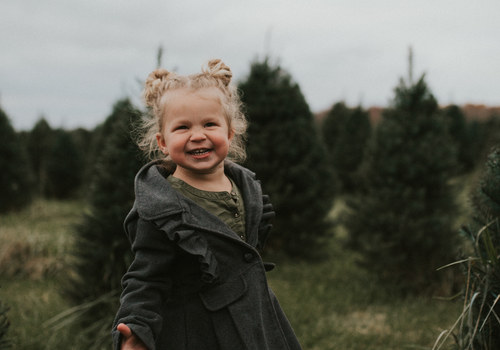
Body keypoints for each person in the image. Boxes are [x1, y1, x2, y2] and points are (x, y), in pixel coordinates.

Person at [112, 59, 302, 350]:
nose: (197, 135)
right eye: (183, 127)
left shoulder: (246, 185)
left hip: (257, 318)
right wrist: (137, 329)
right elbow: (145, 278)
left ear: (229, 133)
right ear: (162, 142)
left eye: (210, 124)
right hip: (201, 332)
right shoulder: (161, 208)